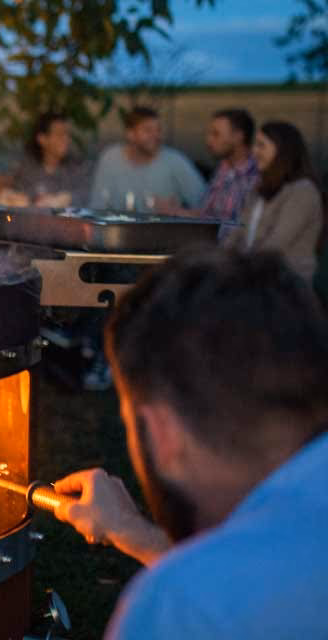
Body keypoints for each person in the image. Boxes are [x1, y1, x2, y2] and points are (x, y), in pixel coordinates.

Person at [52, 248, 328, 638]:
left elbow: (223, 593)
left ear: (163, 434)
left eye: (131, 422)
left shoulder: (182, 609)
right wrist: (137, 534)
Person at [223, 121, 324, 282]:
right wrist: (216, 261)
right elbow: (236, 234)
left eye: (261, 145)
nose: (254, 152)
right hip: (254, 279)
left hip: (286, 286)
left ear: (283, 150)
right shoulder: (258, 190)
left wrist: (236, 268)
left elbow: (275, 245)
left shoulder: (303, 191)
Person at [89, 106, 206, 213]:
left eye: (158, 130)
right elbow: (97, 207)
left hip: (164, 234)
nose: (156, 136)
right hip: (117, 233)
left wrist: (176, 212)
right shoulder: (110, 158)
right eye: (148, 130)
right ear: (130, 134)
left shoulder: (176, 161)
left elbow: (208, 209)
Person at [161, 109, 259, 221]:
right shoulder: (224, 168)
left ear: (238, 137)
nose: (209, 140)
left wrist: (175, 212)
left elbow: (234, 227)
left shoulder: (255, 176)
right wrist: (176, 211)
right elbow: (206, 215)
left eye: (216, 134)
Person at [0, 113, 91, 208]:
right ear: (42, 139)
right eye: (59, 134)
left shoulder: (77, 168)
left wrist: (65, 199)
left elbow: (85, 196)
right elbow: (16, 195)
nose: (66, 139)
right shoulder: (27, 168)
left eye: (67, 134)